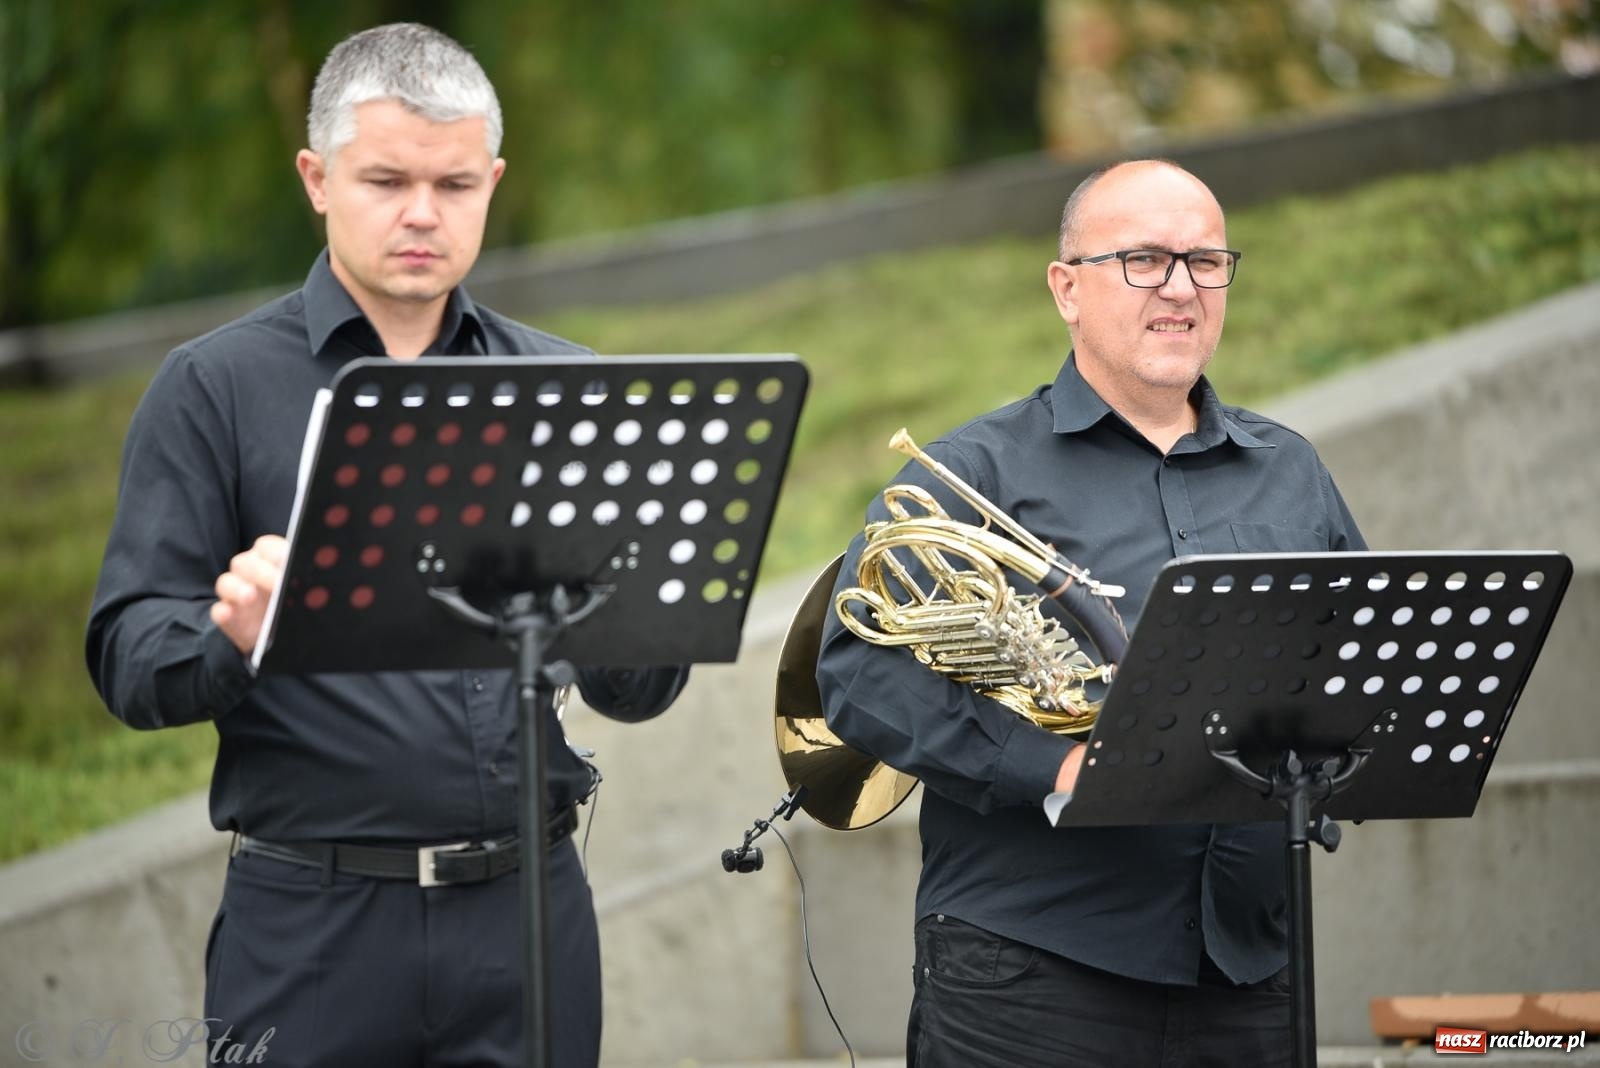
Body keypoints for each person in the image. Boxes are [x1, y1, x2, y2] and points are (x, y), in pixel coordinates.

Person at [85, 23, 688, 1068]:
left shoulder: (566, 387)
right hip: (313, 928)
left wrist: (620, 609)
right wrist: (232, 639)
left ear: (493, 180)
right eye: (385, 180)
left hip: (529, 915)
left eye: (455, 185)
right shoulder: (212, 388)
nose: (422, 213)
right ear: (316, 179)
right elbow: (129, 658)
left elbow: (637, 691)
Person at [815, 159, 1365, 1067]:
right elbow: (861, 674)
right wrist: (1059, 764)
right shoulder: (973, 475)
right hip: (1032, 973)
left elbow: (1353, 660)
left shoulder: (1291, 471)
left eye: (1206, 262)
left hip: (1250, 969)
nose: (1182, 289)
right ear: (1067, 289)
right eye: (1145, 261)